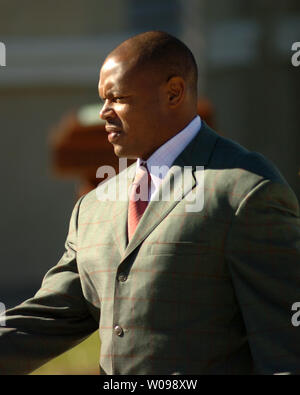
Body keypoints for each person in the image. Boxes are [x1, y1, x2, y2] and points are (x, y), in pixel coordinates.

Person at [1, 30, 300, 375]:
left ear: (174, 92)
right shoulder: (94, 207)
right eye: (102, 99)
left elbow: (286, 349)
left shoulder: (245, 191)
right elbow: (50, 316)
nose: (103, 112)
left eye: (117, 98)